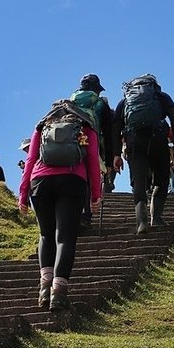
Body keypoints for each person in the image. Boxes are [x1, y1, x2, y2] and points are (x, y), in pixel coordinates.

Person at [19, 99, 103, 312]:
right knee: (65, 237)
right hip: (73, 181)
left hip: (40, 182)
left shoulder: (43, 126)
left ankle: (44, 289)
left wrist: (22, 194)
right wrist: (96, 194)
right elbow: (92, 159)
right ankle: (59, 293)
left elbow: (30, 159)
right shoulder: (85, 129)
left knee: (46, 235)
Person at [111, 74, 174, 234]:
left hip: (134, 142)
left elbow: (115, 127)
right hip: (158, 139)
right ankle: (156, 218)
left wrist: (116, 154)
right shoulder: (161, 96)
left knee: (138, 180)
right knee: (162, 178)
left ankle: (141, 221)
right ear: (154, 85)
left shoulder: (125, 101)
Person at [69, 73, 115, 230]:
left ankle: (70, 214)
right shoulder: (101, 104)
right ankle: (85, 216)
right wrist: (109, 162)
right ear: (96, 89)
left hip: (70, 144)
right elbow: (109, 134)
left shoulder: (70, 101)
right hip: (91, 144)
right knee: (88, 178)